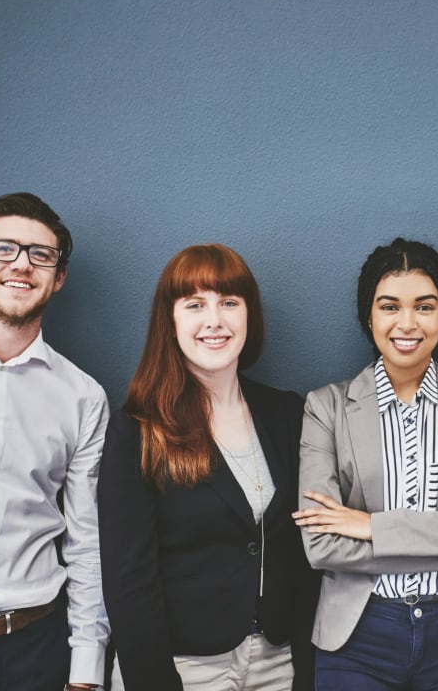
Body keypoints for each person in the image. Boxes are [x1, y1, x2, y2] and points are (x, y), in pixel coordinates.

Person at [294, 237, 438, 691]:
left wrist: (371, 526)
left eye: (424, 306)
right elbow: (322, 547)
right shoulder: (326, 407)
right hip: (357, 639)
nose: (407, 323)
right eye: (389, 306)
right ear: (370, 316)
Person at [97, 244, 317, 691]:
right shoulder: (137, 431)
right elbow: (128, 582)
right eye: (195, 304)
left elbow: (304, 556)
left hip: (278, 662)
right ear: (171, 320)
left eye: (229, 303)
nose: (214, 320)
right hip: (180, 667)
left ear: (248, 316)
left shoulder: (288, 414)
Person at [0, 192, 109, 691]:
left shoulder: (83, 396)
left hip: (37, 651)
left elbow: (86, 543)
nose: (21, 264)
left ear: (57, 279)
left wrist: (85, 670)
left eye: (41, 255)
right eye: (4, 249)